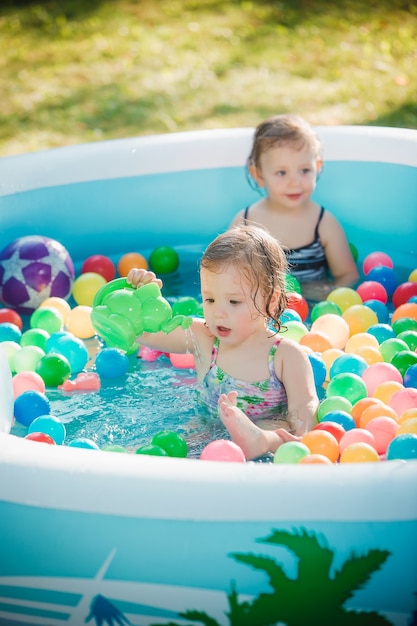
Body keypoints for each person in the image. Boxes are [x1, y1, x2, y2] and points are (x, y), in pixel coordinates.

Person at [127, 225, 319, 461]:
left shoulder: (285, 356)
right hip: (209, 430)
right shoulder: (204, 337)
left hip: (263, 432)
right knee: (156, 451)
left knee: (276, 427)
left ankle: (257, 440)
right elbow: (144, 333)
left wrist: (303, 435)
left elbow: (304, 412)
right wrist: (140, 298)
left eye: (234, 302)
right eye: (210, 299)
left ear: (271, 300)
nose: (219, 313)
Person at [230, 114, 359, 301]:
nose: (295, 182)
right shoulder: (245, 223)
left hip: (312, 311)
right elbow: (229, 275)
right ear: (258, 175)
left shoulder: (323, 223)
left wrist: (328, 293)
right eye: (281, 172)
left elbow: (348, 275)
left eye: (305, 170)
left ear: (318, 167)